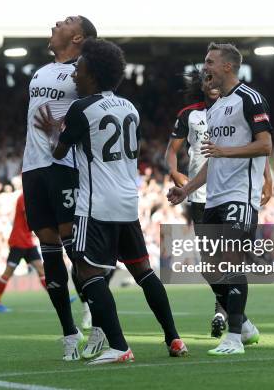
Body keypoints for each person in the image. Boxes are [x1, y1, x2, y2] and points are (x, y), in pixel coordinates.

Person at [36, 38, 188, 365]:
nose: (75, 73)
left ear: (92, 71)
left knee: (87, 272)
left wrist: (52, 132)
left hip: (96, 204)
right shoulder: (129, 107)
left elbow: (59, 152)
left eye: (79, 67)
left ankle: (119, 346)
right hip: (127, 202)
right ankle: (174, 338)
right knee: (144, 272)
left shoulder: (81, 109)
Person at [168, 42, 271, 355]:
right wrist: (186, 189)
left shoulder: (250, 99)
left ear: (227, 66)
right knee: (210, 268)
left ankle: (235, 337)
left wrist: (229, 152)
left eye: (210, 62)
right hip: (212, 197)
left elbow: (265, 145)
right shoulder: (213, 109)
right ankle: (247, 325)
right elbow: (213, 161)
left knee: (230, 260)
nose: (205, 68)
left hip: (241, 196)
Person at [21, 15, 97, 360]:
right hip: (32, 169)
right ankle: (69, 333)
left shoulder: (84, 70)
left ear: (78, 37)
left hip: (63, 166)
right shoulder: (40, 72)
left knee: (74, 249)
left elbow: (94, 118)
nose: (55, 22)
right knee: (48, 251)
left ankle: (97, 320)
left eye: (65, 22)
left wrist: (60, 134)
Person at [0, 192, 46, 312]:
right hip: (18, 241)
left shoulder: (32, 197)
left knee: (41, 269)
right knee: (8, 273)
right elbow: (29, 219)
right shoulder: (25, 197)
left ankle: (60, 299)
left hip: (28, 242)